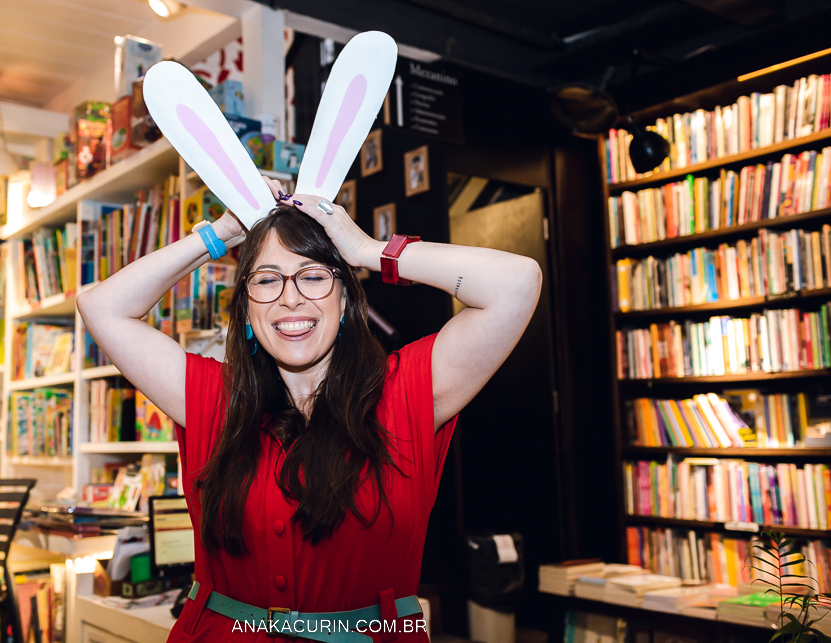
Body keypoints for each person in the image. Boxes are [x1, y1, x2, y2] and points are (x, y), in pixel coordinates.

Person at [77, 178, 541, 642]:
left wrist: (367, 250)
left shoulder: (405, 393)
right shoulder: (214, 398)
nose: (290, 297)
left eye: (314, 276)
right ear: (246, 311)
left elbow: (516, 283)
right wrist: (222, 232)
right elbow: (101, 307)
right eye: (266, 279)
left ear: (345, 300)